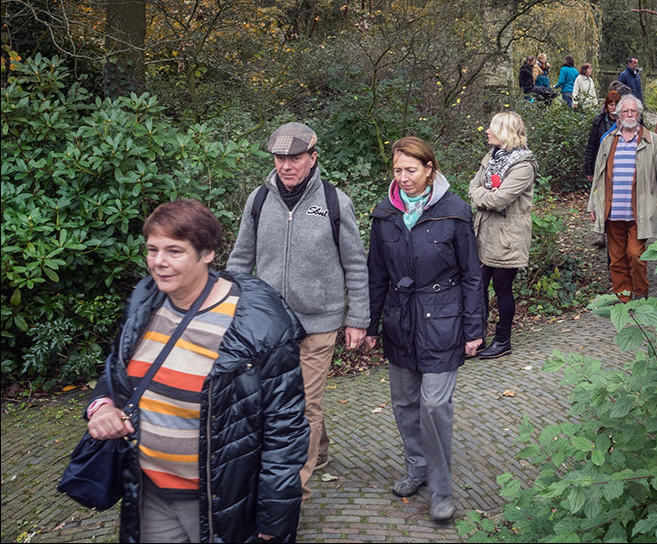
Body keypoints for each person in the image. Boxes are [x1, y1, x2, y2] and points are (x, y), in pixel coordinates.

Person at [84, 199, 308, 543]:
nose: (159, 263)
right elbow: (116, 373)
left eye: (174, 251)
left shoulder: (260, 326)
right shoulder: (146, 300)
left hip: (219, 502)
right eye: (152, 249)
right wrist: (102, 406)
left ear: (206, 254)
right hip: (150, 490)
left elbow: (284, 431)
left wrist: (274, 520)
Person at [227, 122, 369, 497]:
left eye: (294, 157)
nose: (286, 165)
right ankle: (318, 448)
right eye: (279, 158)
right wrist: (225, 309)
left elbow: (355, 263)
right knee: (280, 399)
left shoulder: (335, 202)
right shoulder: (258, 200)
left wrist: (357, 319)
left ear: (312, 158)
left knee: (304, 404)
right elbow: (241, 259)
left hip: (319, 321)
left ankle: (290, 493)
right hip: (270, 325)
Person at [366, 137, 485, 522]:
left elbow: (472, 276)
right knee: (403, 403)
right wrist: (370, 323)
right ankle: (416, 466)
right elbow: (376, 274)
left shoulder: (454, 212)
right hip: (400, 321)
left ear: (430, 168)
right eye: (398, 170)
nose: (403, 178)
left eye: (411, 170)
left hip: (443, 321)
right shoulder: (384, 214)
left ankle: (441, 490)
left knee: (434, 406)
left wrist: (474, 328)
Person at [587, 95, 657, 302]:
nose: (629, 115)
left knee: (636, 255)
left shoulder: (654, 142)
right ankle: (623, 298)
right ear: (618, 115)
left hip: (640, 211)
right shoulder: (608, 142)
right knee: (616, 259)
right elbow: (598, 176)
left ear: (639, 114)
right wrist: (592, 204)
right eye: (625, 112)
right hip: (612, 211)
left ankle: (641, 292)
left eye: (633, 111)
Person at [468, 112, 536, 360]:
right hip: (484, 231)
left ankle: (503, 341)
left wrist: (481, 197)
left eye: (492, 128)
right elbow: (472, 187)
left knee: (502, 288)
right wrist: (482, 196)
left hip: (508, 236)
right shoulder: (491, 157)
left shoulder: (523, 165)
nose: (487, 131)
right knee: (477, 288)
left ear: (505, 132)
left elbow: (499, 199)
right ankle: (476, 339)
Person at [584, 90, 620, 182]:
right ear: (606, 106)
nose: (614, 108)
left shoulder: (625, 124)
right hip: (601, 161)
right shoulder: (598, 122)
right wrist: (589, 169)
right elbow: (591, 145)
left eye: (616, 105)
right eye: (611, 105)